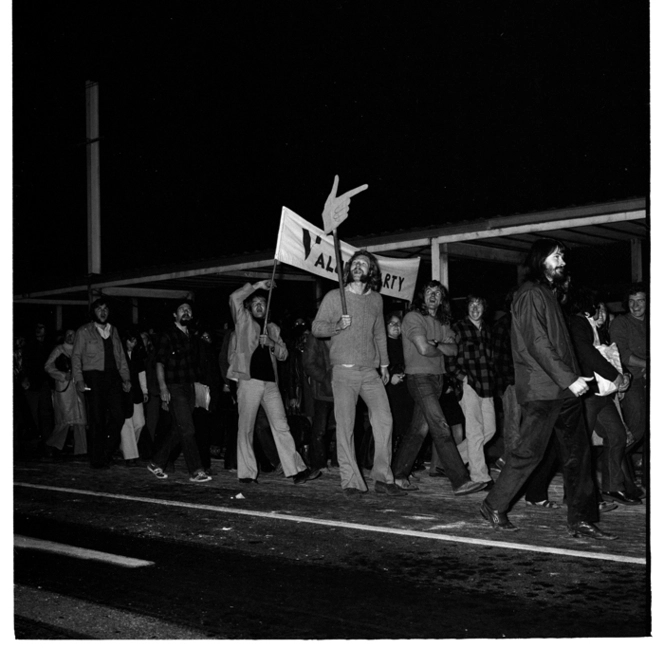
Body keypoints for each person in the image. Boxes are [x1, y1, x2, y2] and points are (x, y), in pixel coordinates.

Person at [480, 239, 616, 540]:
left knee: (579, 456)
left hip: (563, 391)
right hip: (543, 390)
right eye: (556, 257)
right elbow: (538, 343)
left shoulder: (547, 294)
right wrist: (569, 378)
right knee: (529, 452)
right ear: (541, 261)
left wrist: (570, 380)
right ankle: (493, 504)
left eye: (562, 257)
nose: (562, 262)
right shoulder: (529, 294)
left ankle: (582, 519)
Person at [312, 249, 400, 498]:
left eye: (364, 264)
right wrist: (336, 326)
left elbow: (380, 333)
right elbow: (317, 328)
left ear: (371, 271)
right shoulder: (334, 296)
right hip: (344, 371)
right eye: (355, 263)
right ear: (349, 268)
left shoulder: (376, 300)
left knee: (385, 420)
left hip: (370, 371)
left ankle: (383, 477)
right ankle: (351, 480)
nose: (359, 266)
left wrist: (384, 364)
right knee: (346, 426)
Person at [391, 281, 485, 495]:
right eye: (428, 292)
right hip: (419, 378)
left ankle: (398, 475)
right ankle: (460, 480)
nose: (433, 296)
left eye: (437, 293)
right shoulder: (413, 317)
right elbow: (424, 348)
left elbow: (454, 350)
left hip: (438, 380)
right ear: (421, 296)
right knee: (441, 426)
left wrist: (437, 345)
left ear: (442, 299)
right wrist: (438, 346)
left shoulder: (443, 322)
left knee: (418, 430)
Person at [227, 280, 319, 485]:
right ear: (249, 307)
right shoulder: (243, 322)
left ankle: (296, 470)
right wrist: (258, 286)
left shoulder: (273, 328)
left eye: (263, 303)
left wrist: (272, 344)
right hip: (249, 381)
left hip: (270, 385)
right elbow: (234, 298)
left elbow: (284, 354)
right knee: (246, 427)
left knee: (281, 426)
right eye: (256, 303)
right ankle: (247, 473)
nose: (260, 306)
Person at [567, 288, 642, 505]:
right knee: (580, 446)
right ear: (590, 307)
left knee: (617, 435)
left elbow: (610, 358)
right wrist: (616, 377)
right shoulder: (578, 323)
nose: (604, 312)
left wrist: (623, 374)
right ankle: (578, 494)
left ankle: (612, 487)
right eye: (599, 307)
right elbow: (588, 354)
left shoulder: (597, 329)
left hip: (602, 395)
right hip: (587, 394)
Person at [148, 299, 211, 483]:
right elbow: (159, 363)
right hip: (174, 386)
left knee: (179, 428)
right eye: (182, 309)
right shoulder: (167, 335)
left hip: (189, 386)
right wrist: (163, 388)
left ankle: (156, 462)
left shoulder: (192, 336)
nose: (186, 312)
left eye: (189, 310)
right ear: (175, 315)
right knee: (188, 429)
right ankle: (196, 470)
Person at [71, 298, 131, 469]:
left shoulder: (114, 331)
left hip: (113, 377)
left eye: (105, 309)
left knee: (119, 416)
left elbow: (121, 358)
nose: (103, 312)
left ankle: (105, 450)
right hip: (93, 377)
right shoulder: (84, 331)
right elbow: (76, 357)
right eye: (99, 309)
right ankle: (98, 459)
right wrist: (79, 380)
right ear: (93, 312)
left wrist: (126, 378)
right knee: (96, 418)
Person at [452, 295, 497, 489]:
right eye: (472, 305)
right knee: (475, 431)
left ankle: (452, 461)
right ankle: (480, 477)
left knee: (490, 430)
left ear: (484, 309)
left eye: (479, 305)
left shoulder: (488, 330)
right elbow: (448, 357)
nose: (475, 308)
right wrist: (463, 378)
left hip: (487, 385)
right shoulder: (458, 328)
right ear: (467, 308)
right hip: (469, 384)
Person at [609, 283, 647, 484]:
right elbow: (622, 354)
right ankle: (612, 466)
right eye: (631, 302)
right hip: (632, 380)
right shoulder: (621, 323)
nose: (636, 306)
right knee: (637, 427)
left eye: (640, 301)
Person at [43, 328, 88, 457]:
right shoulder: (59, 350)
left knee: (80, 420)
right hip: (64, 389)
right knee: (64, 420)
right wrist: (62, 375)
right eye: (68, 334)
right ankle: (52, 445)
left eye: (72, 334)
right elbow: (48, 366)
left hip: (77, 388)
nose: (70, 337)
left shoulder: (79, 350)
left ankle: (81, 450)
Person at [303, 327, 336, 472]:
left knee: (341, 428)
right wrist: (326, 379)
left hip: (342, 389)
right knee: (320, 429)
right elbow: (308, 363)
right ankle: (318, 463)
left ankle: (337, 461)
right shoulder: (315, 336)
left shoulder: (341, 333)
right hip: (323, 389)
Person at [384, 312, 413, 456]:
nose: (396, 327)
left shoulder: (405, 344)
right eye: (392, 323)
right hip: (389, 390)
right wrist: (389, 378)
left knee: (405, 424)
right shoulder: (381, 344)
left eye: (398, 324)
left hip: (404, 388)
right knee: (392, 424)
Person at [119, 330, 148, 466]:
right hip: (123, 392)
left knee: (140, 423)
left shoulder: (137, 355)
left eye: (135, 341)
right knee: (127, 424)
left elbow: (142, 373)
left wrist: (144, 391)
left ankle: (127, 448)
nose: (133, 344)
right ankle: (130, 455)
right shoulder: (118, 354)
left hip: (136, 392)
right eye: (131, 340)